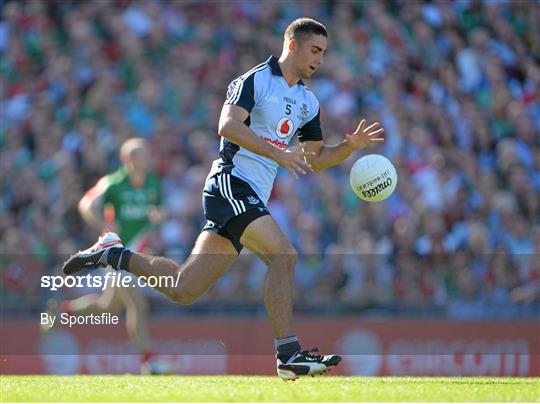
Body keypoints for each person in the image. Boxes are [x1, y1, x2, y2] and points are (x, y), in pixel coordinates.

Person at [62, 18, 384, 381]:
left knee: (184, 289)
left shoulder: (307, 101)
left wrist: (349, 147)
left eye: (324, 52)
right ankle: (289, 355)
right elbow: (227, 126)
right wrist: (279, 154)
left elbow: (316, 157)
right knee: (284, 256)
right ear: (292, 45)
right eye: (315, 50)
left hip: (249, 195)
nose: (320, 59)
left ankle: (113, 254)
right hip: (230, 184)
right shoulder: (255, 80)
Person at [51, 138, 168, 374]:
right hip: (114, 253)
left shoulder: (153, 182)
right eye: (144, 154)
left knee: (108, 308)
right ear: (130, 159)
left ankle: (62, 310)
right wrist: (102, 223)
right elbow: (86, 204)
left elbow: (157, 211)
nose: (149, 158)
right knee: (138, 304)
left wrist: (159, 218)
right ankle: (149, 361)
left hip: (136, 254)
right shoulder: (114, 183)